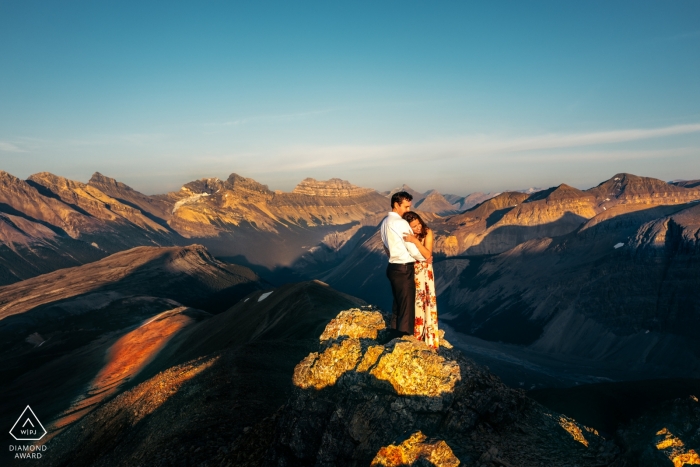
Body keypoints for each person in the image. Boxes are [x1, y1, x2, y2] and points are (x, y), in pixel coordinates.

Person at [380, 191, 426, 337]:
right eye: (406, 207)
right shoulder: (401, 223)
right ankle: (404, 339)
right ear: (396, 204)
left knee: (398, 305)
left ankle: (393, 335)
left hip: (392, 267)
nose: (408, 211)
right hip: (404, 267)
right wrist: (423, 257)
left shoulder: (384, 222)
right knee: (407, 308)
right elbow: (411, 247)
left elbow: (385, 246)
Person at [402, 211, 439, 350]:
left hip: (424, 271)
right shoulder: (407, 234)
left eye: (419, 224)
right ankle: (416, 333)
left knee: (427, 301)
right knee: (416, 301)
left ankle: (428, 335)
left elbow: (427, 253)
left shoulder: (427, 232)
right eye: (414, 226)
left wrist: (415, 241)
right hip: (414, 271)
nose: (418, 228)